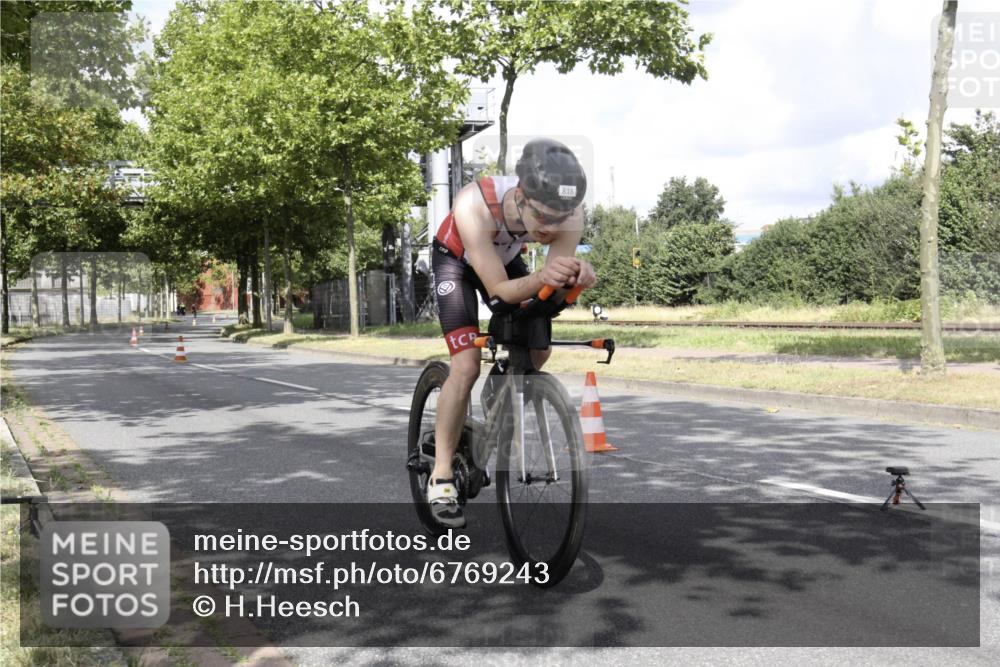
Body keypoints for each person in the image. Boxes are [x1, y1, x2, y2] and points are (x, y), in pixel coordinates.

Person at [428, 138, 597, 528]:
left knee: (537, 350)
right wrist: (544, 277)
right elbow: (500, 293)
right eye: (542, 218)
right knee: (467, 365)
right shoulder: (474, 203)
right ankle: (441, 475)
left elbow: (548, 292)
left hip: (502, 261)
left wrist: (574, 281)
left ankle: (495, 404)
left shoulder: (568, 215)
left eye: (561, 219)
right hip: (458, 261)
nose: (551, 229)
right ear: (519, 195)